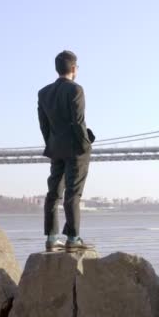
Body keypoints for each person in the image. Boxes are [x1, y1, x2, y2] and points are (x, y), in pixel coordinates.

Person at [37, 50, 95, 252]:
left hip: (56, 149)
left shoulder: (43, 93)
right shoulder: (76, 90)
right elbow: (78, 122)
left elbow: (44, 125)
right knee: (73, 193)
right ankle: (73, 238)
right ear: (73, 69)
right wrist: (86, 145)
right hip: (75, 149)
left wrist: (52, 144)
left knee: (53, 193)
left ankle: (52, 239)